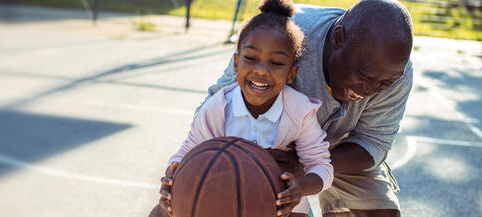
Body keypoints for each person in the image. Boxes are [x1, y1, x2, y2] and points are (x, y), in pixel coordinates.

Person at [154, 0, 414, 216]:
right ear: (338, 39)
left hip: (339, 150)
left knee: (381, 214)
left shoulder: (393, 70)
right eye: (365, 74)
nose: (373, 88)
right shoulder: (283, 37)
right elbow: (212, 111)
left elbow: (373, 143)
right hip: (257, 145)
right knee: (180, 203)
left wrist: (303, 165)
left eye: (386, 82)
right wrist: (179, 175)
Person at [155, 0, 333, 216]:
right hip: (221, 199)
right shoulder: (219, 107)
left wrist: (299, 188)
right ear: (236, 63)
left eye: (276, 63)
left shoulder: (300, 111)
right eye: (250, 58)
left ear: (291, 74)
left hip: (281, 208)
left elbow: (321, 167)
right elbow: (187, 152)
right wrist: (172, 177)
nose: (261, 70)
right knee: (162, 212)